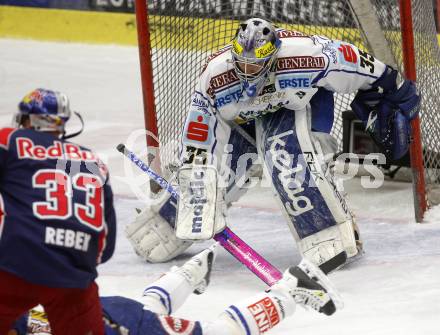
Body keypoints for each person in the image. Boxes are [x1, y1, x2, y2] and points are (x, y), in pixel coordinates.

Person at [126, 18, 420, 273]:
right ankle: (170, 216)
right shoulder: (215, 77)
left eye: (256, 64)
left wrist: (395, 87)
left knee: (284, 156)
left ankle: (328, 229)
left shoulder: (308, 56)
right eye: (243, 63)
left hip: (295, 105)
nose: (248, 70)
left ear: (273, 56)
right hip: (241, 118)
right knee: (221, 169)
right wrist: (200, 195)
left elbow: (358, 63)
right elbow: (199, 138)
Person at [9, 244, 342, 335]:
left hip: (125, 326)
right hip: (104, 309)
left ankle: (291, 288)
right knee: (146, 305)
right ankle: (191, 270)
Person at [0, 89, 117, 335]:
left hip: (15, 265)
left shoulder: (10, 140)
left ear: (28, 120)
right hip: (74, 277)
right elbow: (105, 249)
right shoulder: (93, 161)